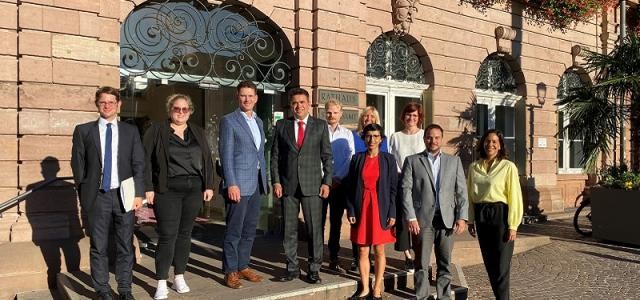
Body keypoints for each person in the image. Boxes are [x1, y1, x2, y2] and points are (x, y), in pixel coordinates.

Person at [71, 86, 145, 300]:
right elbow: (78, 165)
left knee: (125, 244)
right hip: (98, 196)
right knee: (99, 245)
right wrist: (84, 191)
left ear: (119, 104)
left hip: (124, 195)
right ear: (97, 104)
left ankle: (125, 289)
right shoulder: (84, 131)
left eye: (111, 102)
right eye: (103, 102)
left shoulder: (130, 131)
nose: (107, 105)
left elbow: (138, 163)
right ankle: (102, 289)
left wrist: (138, 193)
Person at [143, 94, 215, 299]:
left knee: (185, 234)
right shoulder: (156, 131)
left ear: (190, 111)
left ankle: (179, 276)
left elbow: (207, 160)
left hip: (193, 188)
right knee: (167, 234)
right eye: (176, 108)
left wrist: (209, 185)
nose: (180, 112)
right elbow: (145, 161)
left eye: (185, 109)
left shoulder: (198, 132)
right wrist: (147, 187)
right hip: (167, 190)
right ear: (170, 110)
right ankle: (160, 281)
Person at [271, 88, 333, 284]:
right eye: (295, 103)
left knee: (314, 230)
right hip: (288, 185)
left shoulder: (320, 126)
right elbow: (274, 157)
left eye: (302, 102)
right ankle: (292, 268)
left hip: (313, 185)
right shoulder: (282, 125)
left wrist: (327, 182)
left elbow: (327, 157)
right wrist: (276, 181)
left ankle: (314, 269)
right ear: (291, 105)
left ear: (309, 104)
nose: (298, 106)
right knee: (289, 229)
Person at [401, 124, 468, 300]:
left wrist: (462, 217)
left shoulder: (454, 161)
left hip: (447, 220)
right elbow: (405, 190)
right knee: (421, 263)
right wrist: (411, 217)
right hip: (422, 220)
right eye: (430, 137)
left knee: (444, 263)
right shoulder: (412, 161)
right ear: (424, 139)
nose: (433, 140)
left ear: (442, 139)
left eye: (437, 137)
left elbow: (461, 191)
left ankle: (443, 297)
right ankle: (421, 296)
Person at [218, 81, 268, 289]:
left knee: (249, 230)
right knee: (234, 230)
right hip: (238, 184)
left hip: (256, 182)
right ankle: (230, 271)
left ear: (256, 98)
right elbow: (226, 155)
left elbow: (259, 153)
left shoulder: (259, 122)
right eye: (243, 96)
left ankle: (243, 265)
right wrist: (231, 183)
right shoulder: (229, 121)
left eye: (250, 96)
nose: (247, 99)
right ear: (237, 97)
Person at [467, 129, 523, 300]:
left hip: (501, 216)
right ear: (482, 143)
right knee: (490, 263)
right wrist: (470, 220)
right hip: (481, 215)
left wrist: (513, 225)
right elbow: (470, 196)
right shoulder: (474, 167)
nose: (490, 144)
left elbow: (515, 196)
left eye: (494, 142)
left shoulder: (508, 166)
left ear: (499, 146)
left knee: (502, 265)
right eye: (487, 141)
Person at [345, 124, 397, 300]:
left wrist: (393, 212)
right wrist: (351, 209)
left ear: (381, 139)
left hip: (380, 207)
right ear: (364, 138)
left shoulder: (389, 159)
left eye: (376, 136)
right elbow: (350, 187)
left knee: (380, 250)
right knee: (362, 251)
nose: (372, 140)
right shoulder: (357, 158)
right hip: (362, 207)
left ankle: (377, 288)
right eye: (368, 136)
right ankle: (365, 288)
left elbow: (393, 188)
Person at [349, 106, 387, 272]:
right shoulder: (354, 137)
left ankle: (375, 279)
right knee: (361, 239)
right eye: (365, 116)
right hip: (360, 191)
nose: (368, 118)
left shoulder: (384, 148)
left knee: (378, 244)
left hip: (378, 198)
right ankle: (358, 262)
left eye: (372, 116)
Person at [389, 102, 425, 272]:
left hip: (419, 182)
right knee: (403, 221)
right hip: (401, 180)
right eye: (409, 115)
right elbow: (391, 159)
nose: (411, 118)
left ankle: (420, 254)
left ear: (419, 118)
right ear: (403, 117)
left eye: (415, 116)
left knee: (419, 218)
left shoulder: (424, 135)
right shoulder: (395, 136)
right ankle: (408, 256)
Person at [321, 99, 355, 274]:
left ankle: (334, 258)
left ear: (340, 114)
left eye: (335, 112)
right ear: (324, 113)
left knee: (335, 223)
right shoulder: (318, 131)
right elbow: (315, 157)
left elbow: (350, 158)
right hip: (321, 184)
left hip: (340, 185)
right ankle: (316, 257)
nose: (331, 115)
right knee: (317, 222)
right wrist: (326, 179)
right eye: (328, 112)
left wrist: (337, 178)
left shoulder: (347, 134)